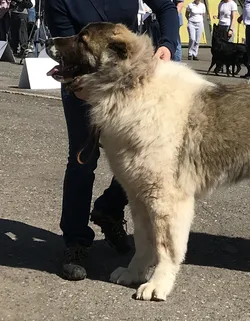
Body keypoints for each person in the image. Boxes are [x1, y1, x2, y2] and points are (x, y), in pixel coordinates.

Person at [45, 0, 178, 281]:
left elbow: (166, 7)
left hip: (128, 84)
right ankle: (76, 242)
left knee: (138, 158)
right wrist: (78, 88)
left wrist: (167, 43)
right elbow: (69, 51)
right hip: (82, 83)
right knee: (83, 160)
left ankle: (109, 208)